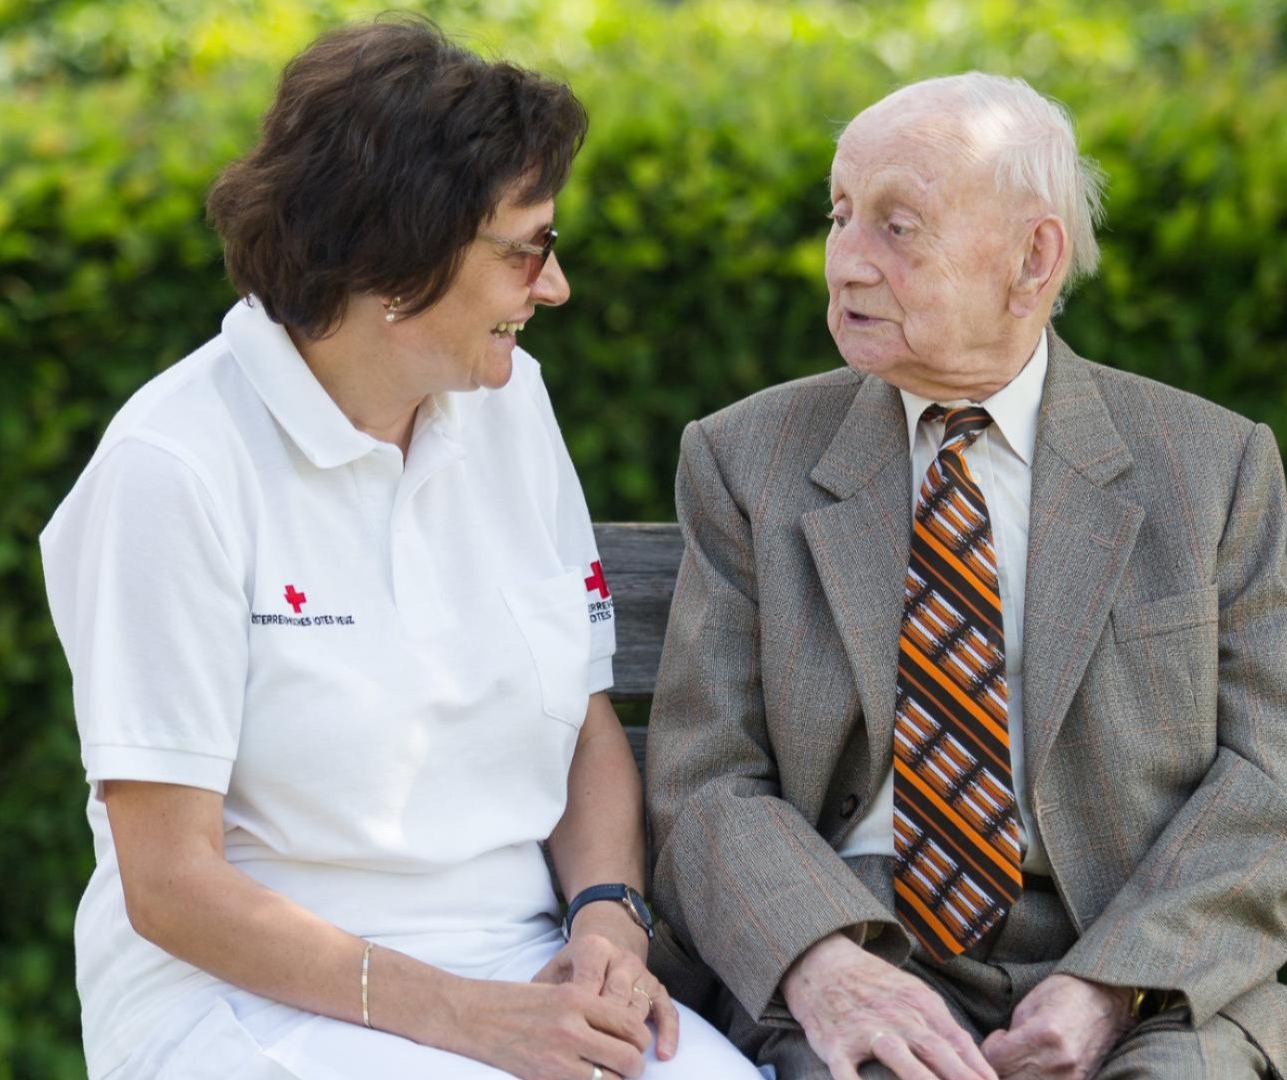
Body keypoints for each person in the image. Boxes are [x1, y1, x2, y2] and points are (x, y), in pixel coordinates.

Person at [39, 18, 759, 1080]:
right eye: (528, 249)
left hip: (517, 969)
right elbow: (170, 885)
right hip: (244, 1000)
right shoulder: (174, 466)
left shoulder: (510, 410)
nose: (552, 287)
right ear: (400, 262)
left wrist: (607, 924)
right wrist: (469, 1021)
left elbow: (585, 725)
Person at [643, 73, 1287, 1080]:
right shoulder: (748, 462)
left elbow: (1277, 788)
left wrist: (1113, 982)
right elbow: (707, 777)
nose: (845, 263)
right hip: (862, 949)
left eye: (897, 226)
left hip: (1136, 975)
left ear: (1034, 256)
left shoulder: (1207, 468)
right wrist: (823, 966)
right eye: (840, 216)